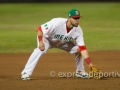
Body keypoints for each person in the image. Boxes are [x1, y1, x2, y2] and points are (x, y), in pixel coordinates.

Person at [21, 9, 93, 80]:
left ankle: (80, 71)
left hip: (63, 42)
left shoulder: (78, 30)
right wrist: (40, 42)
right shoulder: (57, 23)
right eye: (75, 18)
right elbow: (40, 28)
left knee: (79, 49)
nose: (77, 20)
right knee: (40, 50)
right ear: (69, 18)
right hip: (48, 39)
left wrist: (90, 64)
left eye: (78, 18)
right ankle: (26, 72)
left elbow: (82, 48)